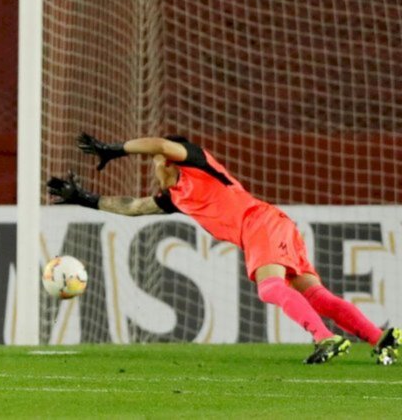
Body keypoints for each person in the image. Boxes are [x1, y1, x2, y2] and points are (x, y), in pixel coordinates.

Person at [49, 132, 400, 365]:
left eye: (160, 161)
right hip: (269, 226)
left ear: (171, 161)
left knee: (270, 287)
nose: (158, 167)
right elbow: (132, 207)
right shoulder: (174, 198)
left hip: (258, 221)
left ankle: (324, 337)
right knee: (315, 295)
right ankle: (379, 337)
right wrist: (84, 199)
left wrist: (115, 149)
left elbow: (160, 142)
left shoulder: (198, 164)